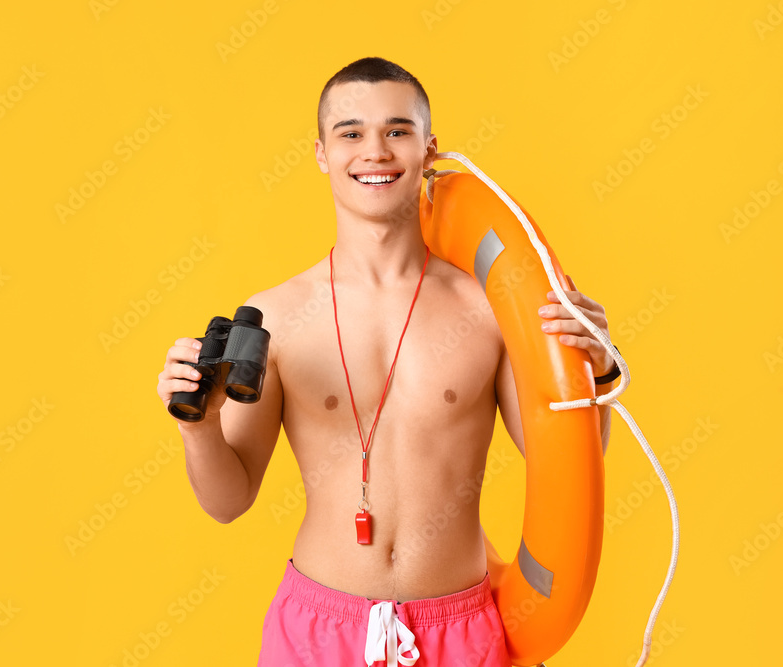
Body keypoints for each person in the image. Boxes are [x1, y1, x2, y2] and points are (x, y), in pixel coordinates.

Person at [156, 57, 618, 667]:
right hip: (317, 631)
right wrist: (198, 425)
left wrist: (597, 372)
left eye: (397, 131)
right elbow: (228, 500)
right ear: (322, 153)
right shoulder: (274, 316)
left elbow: (560, 454)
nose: (375, 151)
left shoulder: (487, 312)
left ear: (429, 150)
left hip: (458, 630)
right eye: (350, 133)